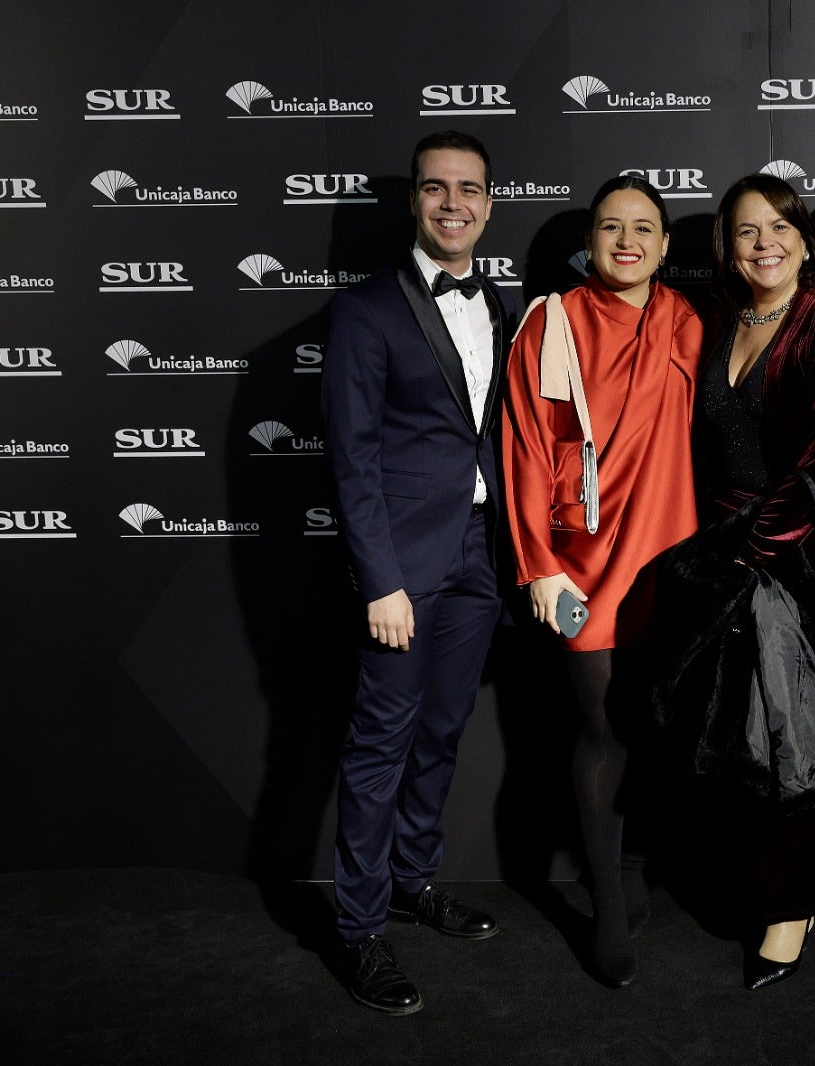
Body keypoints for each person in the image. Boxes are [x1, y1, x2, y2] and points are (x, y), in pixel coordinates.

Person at [321, 130, 513, 1015]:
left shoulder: (502, 304)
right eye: (435, 189)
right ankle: (360, 930)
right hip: (403, 566)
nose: (452, 204)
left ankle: (413, 879)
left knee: (441, 732)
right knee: (379, 748)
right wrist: (379, 580)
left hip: (481, 554)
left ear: (486, 202)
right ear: (413, 201)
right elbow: (352, 459)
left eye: (468, 189)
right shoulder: (365, 310)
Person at [679, 173, 815, 990]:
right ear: (726, 248)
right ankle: (760, 888)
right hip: (723, 550)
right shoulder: (719, 322)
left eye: (777, 227)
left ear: (802, 236)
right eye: (745, 232)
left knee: (786, 733)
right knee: (739, 732)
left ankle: (791, 908)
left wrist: (756, 548)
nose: (763, 244)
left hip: (801, 548)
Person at [500, 175, 700, 988]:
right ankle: (607, 914)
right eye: (611, 226)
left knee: (656, 728)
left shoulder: (689, 321)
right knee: (602, 732)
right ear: (590, 238)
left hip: (672, 556)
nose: (627, 240)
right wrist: (538, 566)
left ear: (664, 244)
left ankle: (629, 868)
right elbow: (522, 448)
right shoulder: (552, 321)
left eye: (644, 228)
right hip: (584, 559)